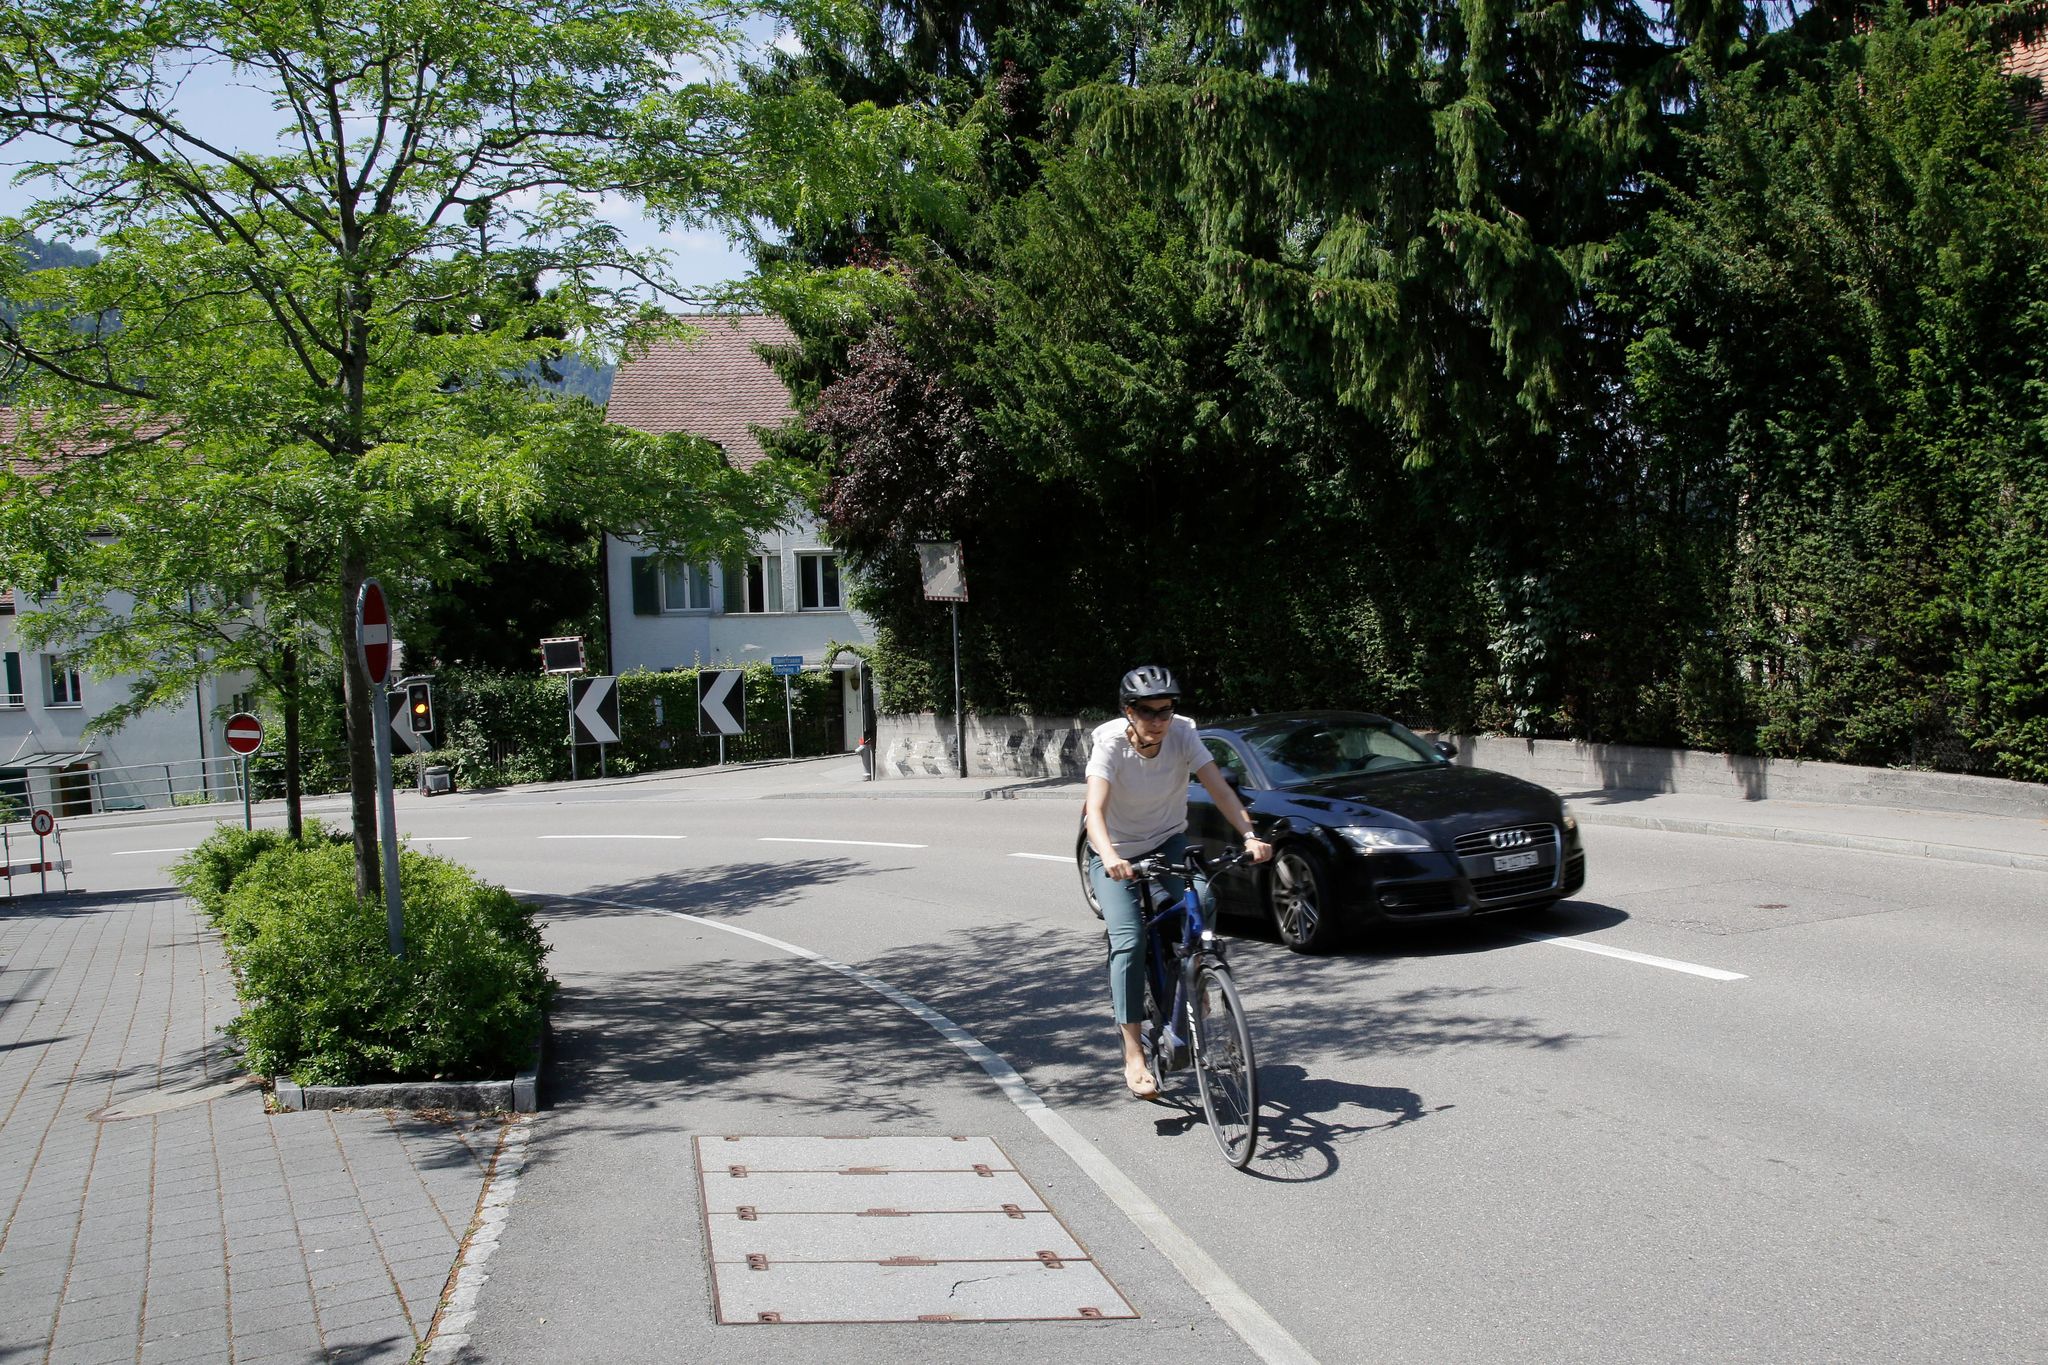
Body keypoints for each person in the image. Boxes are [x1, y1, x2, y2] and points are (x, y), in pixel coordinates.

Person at [1083, 665, 1272, 1099]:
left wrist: (1249, 834)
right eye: (1147, 711)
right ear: (1128, 711)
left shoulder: (1184, 733)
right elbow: (1094, 810)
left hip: (1167, 838)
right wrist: (1110, 856)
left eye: (1165, 710)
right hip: (1115, 849)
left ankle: (1194, 978)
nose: (1158, 720)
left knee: (1202, 899)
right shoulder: (1109, 742)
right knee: (1129, 941)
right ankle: (1133, 1053)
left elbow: (1221, 790)